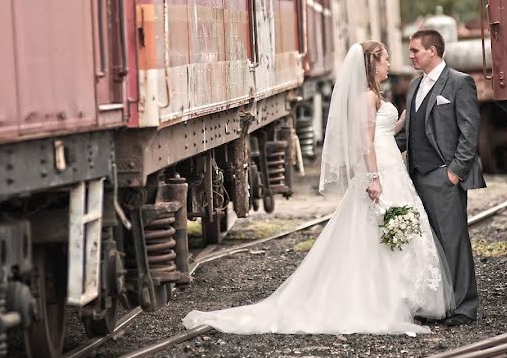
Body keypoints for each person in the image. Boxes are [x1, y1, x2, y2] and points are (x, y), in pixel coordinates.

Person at [182, 41, 454, 335]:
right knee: (378, 232)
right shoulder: (365, 97)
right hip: (381, 171)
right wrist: (373, 178)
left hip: (391, 167)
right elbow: (365, 143)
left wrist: (401, 121)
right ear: (373, 63)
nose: (390, 64)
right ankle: (383, 300)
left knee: (387, 231)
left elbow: (381, 131)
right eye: (386, 59)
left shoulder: (374, 95)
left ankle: (402, 297)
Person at [394, 29, 486, 326]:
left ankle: (464, 306)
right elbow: (411, 132)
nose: (411, 56)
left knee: (452, 241)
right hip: (417, 177)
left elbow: (470, 132)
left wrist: (454, 173)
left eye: (415, 50)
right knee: (427, 243)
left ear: (432, 51)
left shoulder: (460, 83)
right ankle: (438, 304)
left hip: (444, 177)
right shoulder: (414, 86)